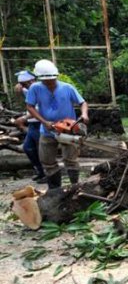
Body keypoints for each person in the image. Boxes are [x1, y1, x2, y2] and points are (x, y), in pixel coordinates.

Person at [25, 60, 89, 189]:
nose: (50, 82)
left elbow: (82, 102)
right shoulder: (35, 88)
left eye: (52, 80)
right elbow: (30, 106)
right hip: (47, 130)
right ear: (40, 79)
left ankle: (75, 187)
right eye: (47, 80)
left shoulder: (67, 88)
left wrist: (84, 114)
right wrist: (44, 121)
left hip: (69, 130)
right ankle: (55, 189)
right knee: (47, 161)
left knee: (71, 160)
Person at [13, 71, 46, 183]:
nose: (23, 87)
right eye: (22, 84)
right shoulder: (28, 89)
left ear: (32, 81)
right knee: (28, 147)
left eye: (25, 84)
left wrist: (24, 118)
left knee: (42, 150)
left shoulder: (38, 89)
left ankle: (47, 174)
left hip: (40, 122)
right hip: (33, 124)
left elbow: (37, 109)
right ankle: (40, 171)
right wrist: (20, 88)